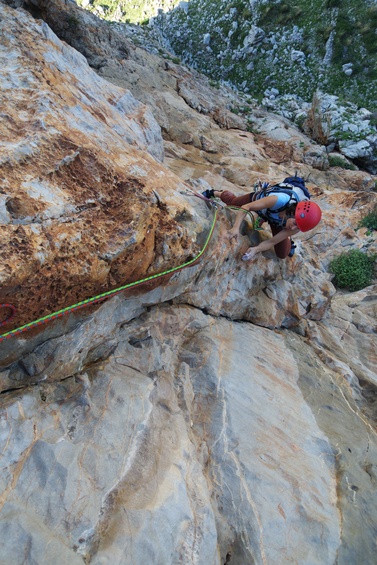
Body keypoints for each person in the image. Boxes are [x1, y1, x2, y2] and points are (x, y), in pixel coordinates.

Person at [202, 178, 322, 261]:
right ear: (293, 212)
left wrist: (256, 249)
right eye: (295, 223)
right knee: (232, 203)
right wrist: (236, 227)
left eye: (297, 228)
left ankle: (287, 240)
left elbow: (271, 242)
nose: (293, 228)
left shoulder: (299, 224)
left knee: (282, 254)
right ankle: (214, 192)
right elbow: (246, 207)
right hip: (266, 205)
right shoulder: (278, 200)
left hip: (276, 219)